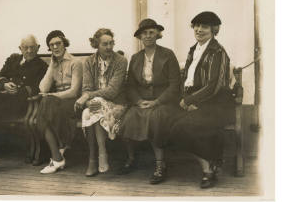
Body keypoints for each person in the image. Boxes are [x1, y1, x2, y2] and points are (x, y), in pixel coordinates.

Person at [168, 11, 235, 188]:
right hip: (195, 100)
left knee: (184, 127)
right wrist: (185, 99)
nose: (199, 29)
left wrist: (190, 101)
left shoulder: (217, 51)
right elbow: (186, 80)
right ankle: (212, 164)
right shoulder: (194, 49)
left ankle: (208, 171)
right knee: (168, 125)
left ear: (214, 30)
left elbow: (214, 85)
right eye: (196, 25)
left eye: (204, 26)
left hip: (216, 102)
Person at [119, 19, 181, 184]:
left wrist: (157, 101)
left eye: (151, 32)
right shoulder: (136, 58)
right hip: (142, 102)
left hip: (164, 102)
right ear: (140, 36)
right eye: (144, 33)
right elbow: (130, 86)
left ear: (157, 35)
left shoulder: (168, 54)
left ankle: (161, 165)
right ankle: (132, 159)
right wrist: (138, 101)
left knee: (155, 119)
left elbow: (175, 85)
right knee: (127, 118)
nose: (148, 36)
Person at [0, 35, 48, 174]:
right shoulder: (13, 59)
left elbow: (37, 88)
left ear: (38, 48)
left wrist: (17, 90)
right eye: (26, 48)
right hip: (1, 99)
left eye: (32, 47)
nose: (29, 51)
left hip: (21, 103)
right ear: (20, 49)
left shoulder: (42, 66)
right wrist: (4, 84)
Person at [74, 28, 128, 176]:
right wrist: (88, 101)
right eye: (105, 44)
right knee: (89, 110)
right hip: (96, 106)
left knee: (91, 110)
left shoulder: (121, 61)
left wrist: (88, 97)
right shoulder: (89, 62)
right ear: (96, 44)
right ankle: (99, 155)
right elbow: (86, 88)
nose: (109, 47)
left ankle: (94, 158)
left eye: (111, 43)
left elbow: (112, 91)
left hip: (116, 104)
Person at [37, 30, 83, 174]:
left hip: (73, 101)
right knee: (45, 108)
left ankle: (57, 158)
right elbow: (42, 87)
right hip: (56, 102)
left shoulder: (76, 62)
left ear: (65, 44)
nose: (55, 47)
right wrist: (52, 64)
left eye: (58, 43)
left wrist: (52, 95)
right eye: (52, 45)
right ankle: (57, 156)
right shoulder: (54, 63)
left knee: (45, 106)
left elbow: (74, 91)